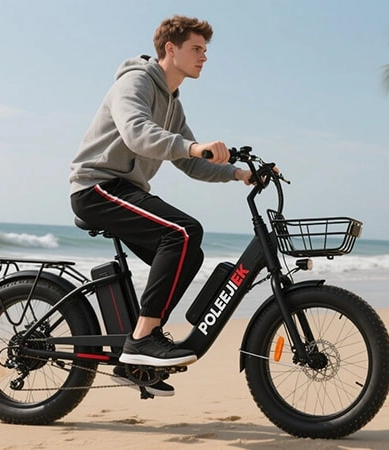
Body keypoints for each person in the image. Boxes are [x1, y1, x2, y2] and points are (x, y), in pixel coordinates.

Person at [69, 15, 252, 397]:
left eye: (205, 51)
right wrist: (191, 145)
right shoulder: (134, 82)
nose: (204, 57)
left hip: (125, 188)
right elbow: (138, 133)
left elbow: (190, 162)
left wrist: (239, 174)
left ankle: (136, 353)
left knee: (189, 252)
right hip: (96, 186)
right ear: (171, 49)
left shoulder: (172, 102)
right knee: (183, 232)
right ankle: (143, 340)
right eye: (196, 49)